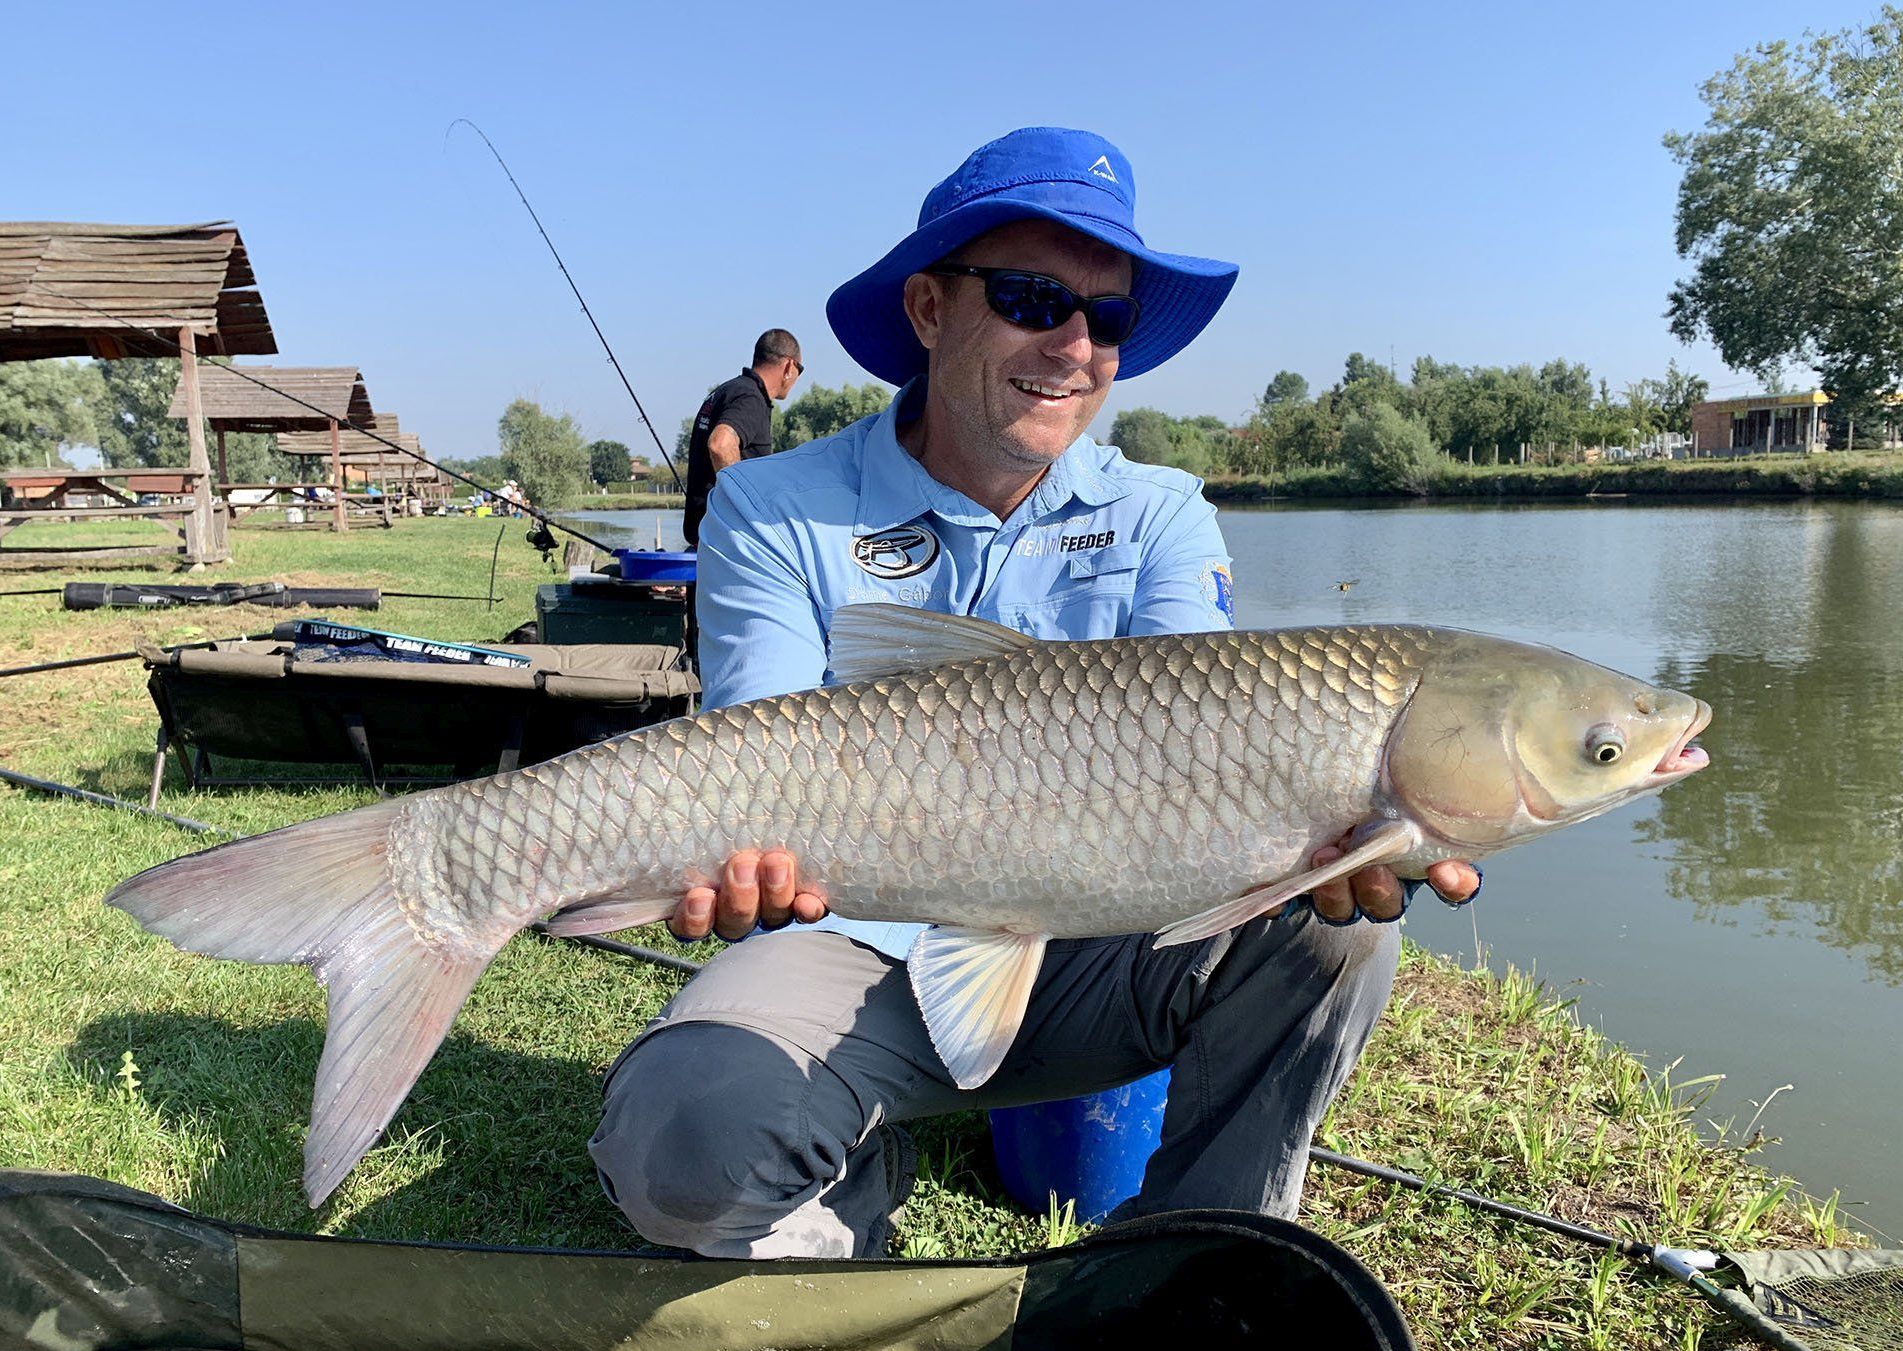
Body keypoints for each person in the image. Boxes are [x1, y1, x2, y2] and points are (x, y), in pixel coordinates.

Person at [591, 128, 1480, 1259]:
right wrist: (733, 858)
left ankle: (1199, 1266)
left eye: (1106, 318)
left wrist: (1369, 828)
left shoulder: (1162, 513)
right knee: (683, 1157)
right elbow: (744, 750)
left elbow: (1217, 738)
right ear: (926, 309)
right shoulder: (771, 506)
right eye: (1030, 298)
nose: (1073, 345)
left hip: (1099, 936)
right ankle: (861, 1176)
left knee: (1335, 935)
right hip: (852, 929)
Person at [681, 329, 805, 548]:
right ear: (788, 367)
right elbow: (720, 444)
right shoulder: (751, 397)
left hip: (706, 534)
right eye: (800, 370)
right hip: (727, 539)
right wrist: (744, 508)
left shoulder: (727, 391)